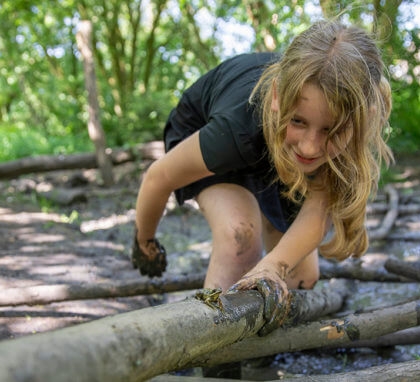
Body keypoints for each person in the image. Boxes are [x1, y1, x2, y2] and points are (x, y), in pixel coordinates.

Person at [131, 18, 393, 335]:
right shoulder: (234, 130)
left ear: (362, 122)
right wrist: (145, 241)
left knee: (301, 276)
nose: (311, 146)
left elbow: (316, 211)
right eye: (299, 121)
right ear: (276, 97)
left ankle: (258, 345)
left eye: (331, 130)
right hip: (213, 138)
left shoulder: (335, 142)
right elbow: (158, 177)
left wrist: (273, 267)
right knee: (239, 235)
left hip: (278, 155)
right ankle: (222, 356)